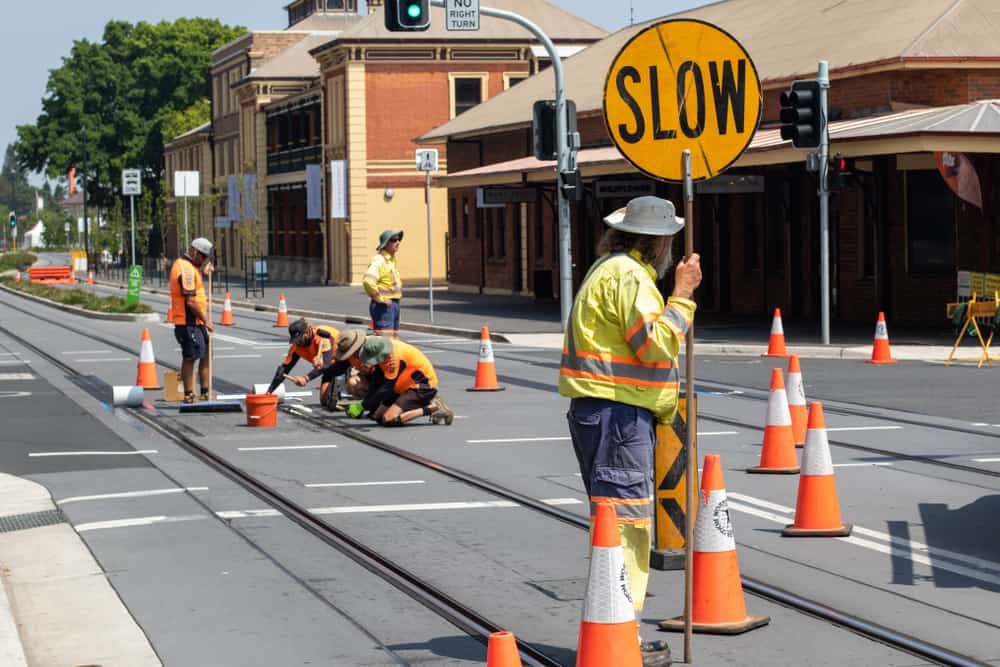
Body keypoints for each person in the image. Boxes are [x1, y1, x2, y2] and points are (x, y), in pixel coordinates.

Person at [558, 196, 701, 667]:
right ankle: (621, 638)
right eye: (669, 243)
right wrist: (682, 295)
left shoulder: (606, 269)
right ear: (658, 243)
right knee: (627, 529)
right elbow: (653, 345)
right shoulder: (631, 277)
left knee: (613, 526)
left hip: (602, 413)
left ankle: (615, 631)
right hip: (619, 418)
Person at [337, 334, 454, 425]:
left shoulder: (394, 359)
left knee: (389, 419)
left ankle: (434, 408)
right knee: (377, 417)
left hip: (420, 387)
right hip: (401, 386)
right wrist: (366, 404)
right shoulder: (375, 346)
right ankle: (412, 406)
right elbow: (377, 382)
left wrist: (363, 406)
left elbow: (385, 387)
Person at [170, 238, 215, 404]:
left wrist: (205, 270)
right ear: (194, 251)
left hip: (196, 322)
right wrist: (206, 320)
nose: (204, 260)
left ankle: (205, 391)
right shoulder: (185, 269)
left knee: (206, 353)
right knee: (191, 355)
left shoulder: (192, 267)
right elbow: (190, 302)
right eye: (203, 257)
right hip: (187, 321)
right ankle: (188, 394)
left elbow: (197, 276)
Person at [266, 318, 342, 410]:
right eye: (296, 340)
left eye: (299, 339)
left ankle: (347, 380)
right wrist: (269, 392)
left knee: (348, 389)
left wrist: (306, 378)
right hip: (331, 369)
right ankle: (339, 386)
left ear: (306, 333)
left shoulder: (321, 336)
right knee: (325, 401)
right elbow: (285, 369)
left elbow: (326, 364)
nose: (298, 343)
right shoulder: (297, 347)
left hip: (344, 361)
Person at [363, 229, 403, 337]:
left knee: (393, 342)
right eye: (394, 240)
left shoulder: (390, 260)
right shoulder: (379, 260)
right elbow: (368, 281)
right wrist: (380, 298)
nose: (398, 242)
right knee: (385, 341)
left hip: (393, 305)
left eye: (398, 239)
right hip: (384, 307)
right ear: (385, 244)